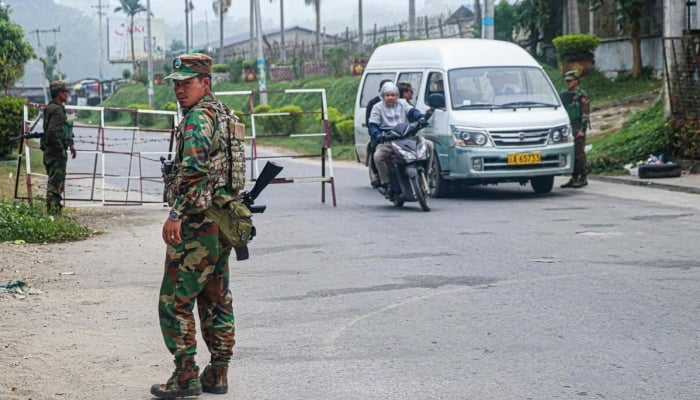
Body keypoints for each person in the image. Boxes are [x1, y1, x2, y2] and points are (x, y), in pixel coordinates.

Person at [152, 53, 240, 398]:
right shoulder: (222, 114)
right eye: (176, 84)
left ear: (206, 82)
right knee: (215, 297)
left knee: (173, 299)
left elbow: (194, 174)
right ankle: (218, 372)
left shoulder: (196, 120)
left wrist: (176, 214)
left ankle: (186, 374)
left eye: (187, 83)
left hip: (197, 225)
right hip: (222, 221)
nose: (179, 90)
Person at [369, 82, 433, 197]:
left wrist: (421, 118)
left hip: (407, 137)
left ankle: (428, 173)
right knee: (378, 156)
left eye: (393, 95)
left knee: (429, 145)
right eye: (387, 95)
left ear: (397, 95)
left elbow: (412, 111)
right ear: (382, 96)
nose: (390, 97)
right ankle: (387, 183)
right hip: (389, 140)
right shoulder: (377, 107)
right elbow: (372, 125)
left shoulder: (403, 103)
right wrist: (377, 134)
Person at [42, 80, 76, 215]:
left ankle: (54, 211)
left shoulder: (55, 108)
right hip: (55, 153)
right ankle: (53, 213)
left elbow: (64, 129)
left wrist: (70, 144)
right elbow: (52, 132)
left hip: (53, 151)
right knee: (55, 184)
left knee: (57, 182)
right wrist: (60, 149)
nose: (67, 94)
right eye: (65, 92)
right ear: (59, 93)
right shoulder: (56, 110)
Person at [559, 70, 590, 188]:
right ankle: (574, 177)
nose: (568, 83)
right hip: (568, 126)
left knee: (579, 153)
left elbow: (585, 114)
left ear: (576, 81)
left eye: (570, 81)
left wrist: (583, 129)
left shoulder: (581, 95)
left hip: (578, 126)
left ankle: (583, 177)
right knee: (571, 153)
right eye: (567, 81)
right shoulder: (564, 95)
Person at [366, 78, 393, 187]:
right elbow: (370, 122)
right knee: (374, 148)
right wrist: (376, 132)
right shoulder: (374, 104)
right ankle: (377, 174)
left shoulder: (400, 104)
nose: (390, 97)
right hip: (381, 133)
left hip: (396, 134)